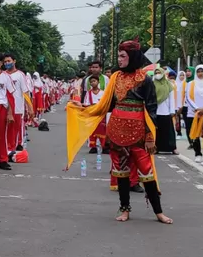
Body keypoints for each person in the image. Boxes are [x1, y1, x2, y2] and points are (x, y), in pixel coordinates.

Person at [66, 39, 172, 224]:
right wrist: (84, 106)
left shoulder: (145, 80)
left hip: (139, 133)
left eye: (123, 56)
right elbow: (107, 105)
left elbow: (151, 110)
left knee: (147, 174)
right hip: (116, 132)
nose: (120, 60)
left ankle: (159, 212)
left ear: (132, 57)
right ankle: (125, 210)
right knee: (121, 173)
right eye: (119, 56)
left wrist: (149, 136)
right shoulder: (115, 78)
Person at [186, 64, 203, 163]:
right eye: (198, 71)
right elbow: (188, 97)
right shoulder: (191, 84)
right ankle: (198, 153)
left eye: (202, 71)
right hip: (193, 113)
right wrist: (197, 108)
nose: (200, 73)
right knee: (194, 134)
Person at [4, 53, 30, 152]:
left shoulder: (20, 75)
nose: (7, 63)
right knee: (5, 130)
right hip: (5, 107)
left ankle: (13, 148)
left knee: (15, 129)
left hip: (17, 107)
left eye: (9, 61)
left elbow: (26, 92)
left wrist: (29, 108)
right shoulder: (3, 75)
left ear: (14, 61)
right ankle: (5, 149)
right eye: (5, 62)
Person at [152, 65, 177, 155]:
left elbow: (171, 99)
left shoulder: (168, 85)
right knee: (157, 132)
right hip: (155, 112)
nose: (158, 74)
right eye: (156, 73)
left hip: (166, 112)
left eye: (159, 73)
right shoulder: (152, 84)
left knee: (169, 131)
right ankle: (156, 148)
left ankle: (172, 148)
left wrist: (172, 111)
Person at [83, 76, 106, 153]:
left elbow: (105, 103)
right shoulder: (88, 93)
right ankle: (93, 146)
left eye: (94, 81)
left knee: (102, 130)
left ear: (98, 82)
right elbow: (86, 103)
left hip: (101, 114)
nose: (93, 83)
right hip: (92, 114)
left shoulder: (103, 93)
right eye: (91, 82)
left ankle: (104, 146)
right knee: (92, 130)